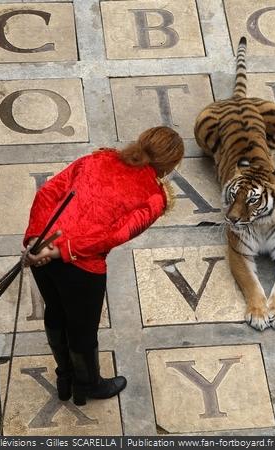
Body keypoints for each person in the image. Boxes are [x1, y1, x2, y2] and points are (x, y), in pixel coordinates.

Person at [22, 126, 183, 406]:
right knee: (82, 331)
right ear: (169, 165)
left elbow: (47, 193)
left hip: (42, 255)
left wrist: (37, 240)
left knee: (56, 312)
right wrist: (62, 250)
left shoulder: (97, 159)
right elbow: (114, 235)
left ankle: (65, 379)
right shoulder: (154, 198)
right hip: (81, 269)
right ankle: (87, 385)